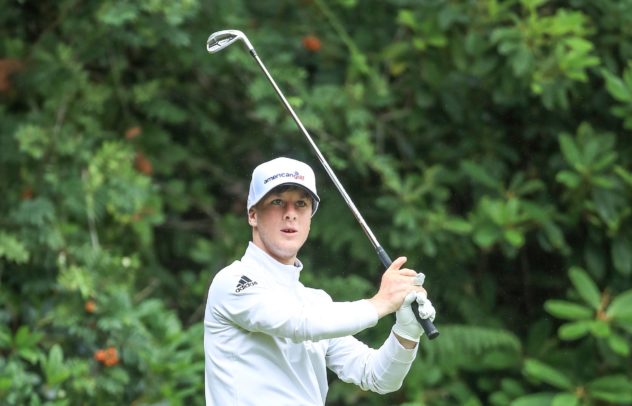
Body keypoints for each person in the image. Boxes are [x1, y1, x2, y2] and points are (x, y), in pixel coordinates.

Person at [204, 156, 436, 405]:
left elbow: (376, 377)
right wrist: (381, 303)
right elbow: (299, 324)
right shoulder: (233, 282)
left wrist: (406, 333)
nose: (290, 214)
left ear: (310, 218)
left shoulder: (315, 303)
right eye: (278, 201)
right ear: (252, 215)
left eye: (301, 204)